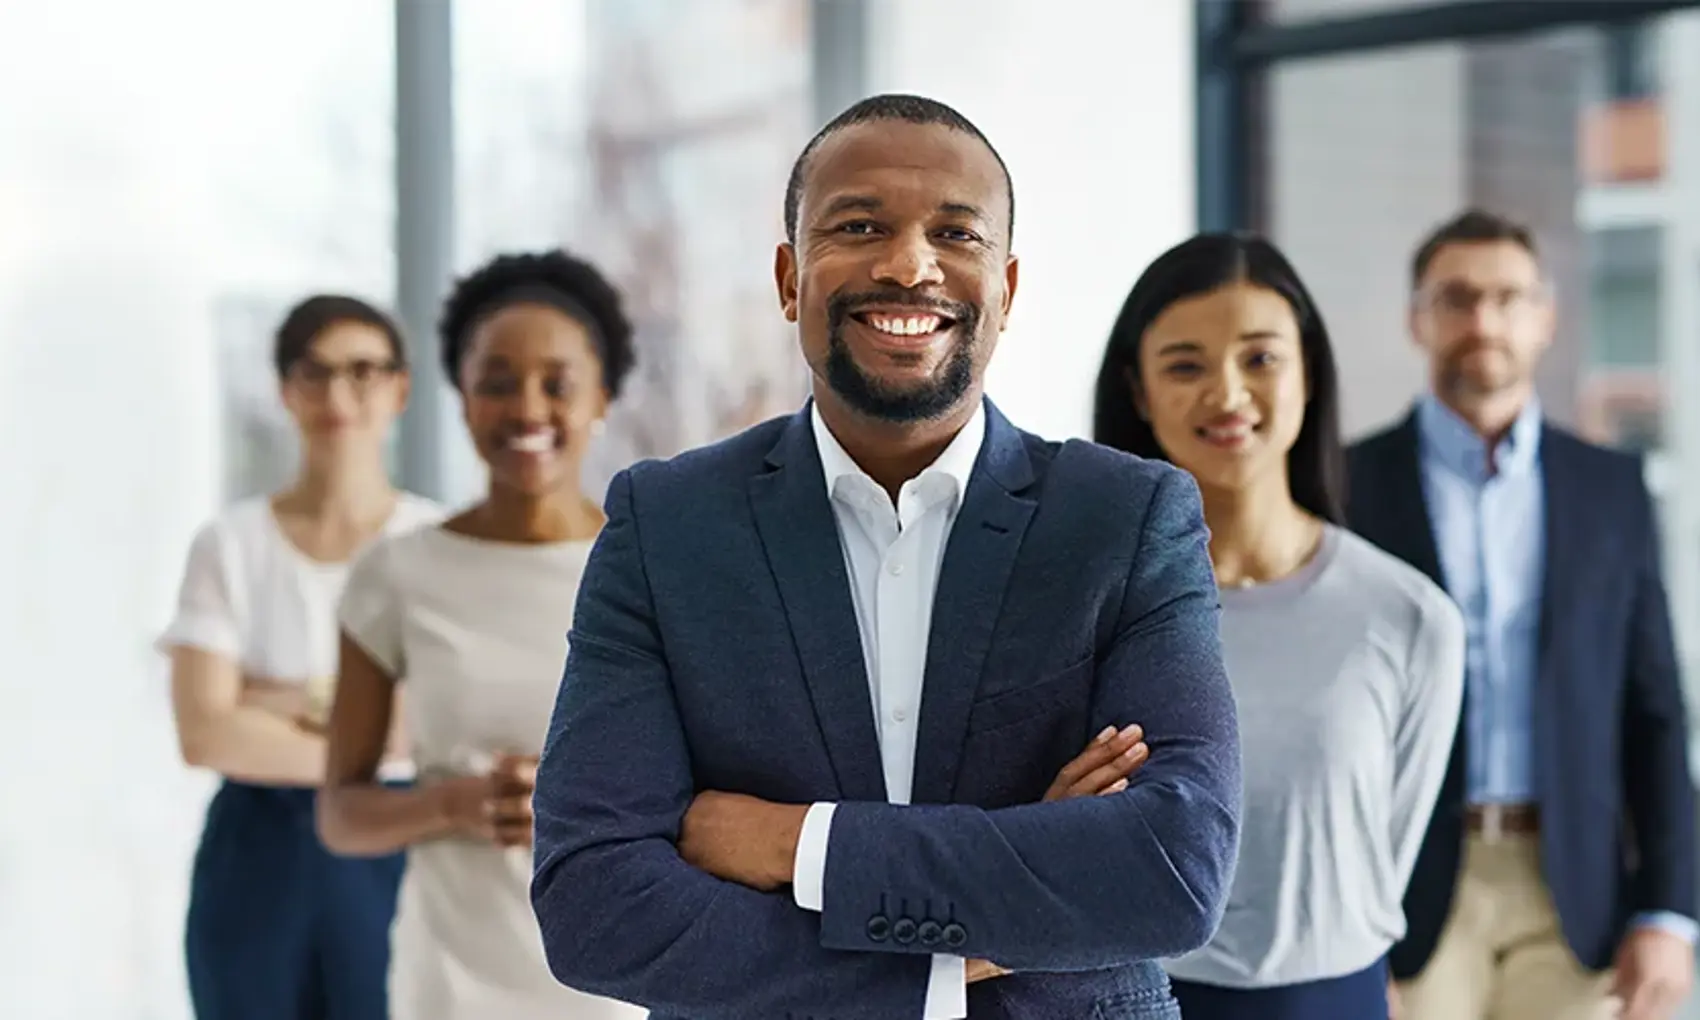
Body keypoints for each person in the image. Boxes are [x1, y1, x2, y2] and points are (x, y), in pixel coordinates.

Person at [527, 93, 1242, 1020]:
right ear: (790, 279)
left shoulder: (1127, 518)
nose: (910, 265)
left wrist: (798, 847)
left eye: (957, 233)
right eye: (859, 226)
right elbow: (594, 905)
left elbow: (1170, 871)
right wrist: (956, 950)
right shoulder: (667, 525)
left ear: (1008, 290)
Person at [1092, 232, 1465, 1019]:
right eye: (1186, 365)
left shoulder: (1408, 616)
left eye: (1260, 358)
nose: (1227, 394)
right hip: (1133, 997)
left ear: (1308, 374)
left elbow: (1382, 859)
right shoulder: (1089, 611)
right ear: (1139, 387)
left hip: (1336, 996)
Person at [1347, 209, 1697, 1020]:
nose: (1484, 321)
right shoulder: (1347, 484)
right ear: (1417, 318)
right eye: (1458, 298)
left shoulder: (1610, 490)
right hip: (1404, 891)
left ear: (1546, 318)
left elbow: (1656, 713)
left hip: (1572, 890)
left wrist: (1670, 910)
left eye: (1508, 298)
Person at [314, 251, 646, 1020]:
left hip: (618, 989)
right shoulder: (397, 574)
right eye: (496, 383)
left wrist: (579, 806)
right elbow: (341, 813)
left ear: (602, 396)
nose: (527, 409)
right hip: (450, 985)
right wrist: (453, 805)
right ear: (461, 398)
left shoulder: (655, 568)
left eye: (556, 383)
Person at [160, 295, 442, 1020]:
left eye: (363, 372)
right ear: (286, 391)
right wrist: (365, 715)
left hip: (396, 846)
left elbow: (438, 722)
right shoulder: (230, 544)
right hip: (257, 851)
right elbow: (205, 734)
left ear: (400, 389)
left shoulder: (438, 545)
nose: (338, 396)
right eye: (313, 373)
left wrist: (271, 700)